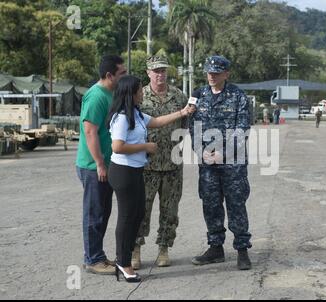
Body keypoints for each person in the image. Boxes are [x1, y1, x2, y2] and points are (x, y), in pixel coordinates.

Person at [107, 75, 194, 282]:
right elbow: (117, 146)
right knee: (128, 218)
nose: (141, 93)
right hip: (123, 172)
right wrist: (146, 147)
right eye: (138, 91)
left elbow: (156, 121)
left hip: (136, 170)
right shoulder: (121, 117)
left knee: (136, 215)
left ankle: (125, 259)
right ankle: (124, 261)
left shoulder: (135, 113)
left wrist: (182, 112)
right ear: (131, 93)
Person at [189, 55, 252, 270]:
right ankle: (215, 248)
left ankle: (242, 250)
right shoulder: (198, 95)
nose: (212, 76)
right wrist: (200, 151)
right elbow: (192, 127)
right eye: (209, 72)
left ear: (226, 74)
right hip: (207, 163)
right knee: (211, 204)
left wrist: (224, 153)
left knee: (236, 204)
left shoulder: (238, 97)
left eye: (216, 73)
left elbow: (243, 128)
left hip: (233, 163)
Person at [131, 55, 188, 269]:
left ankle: (164, 247)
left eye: (163, 70)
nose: (160, 74)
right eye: (156, 71)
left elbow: (185, 125)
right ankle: (135, 248)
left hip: (173, 164)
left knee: (170, 210)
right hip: (146, 165)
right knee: (141, 210)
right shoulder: (139, 96)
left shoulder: (179, 97)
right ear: (148, 73)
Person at [76, 55, 127, 275]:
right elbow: (90, 131)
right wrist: (99, 164)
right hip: (92, 166)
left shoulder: (112, 93)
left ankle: (98, 255)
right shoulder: (96, 96)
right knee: (94, 213)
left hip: (106, 163)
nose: (125, 75)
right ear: (109, 76)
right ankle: (92, 260)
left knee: (103, 212)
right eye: (121, 73)